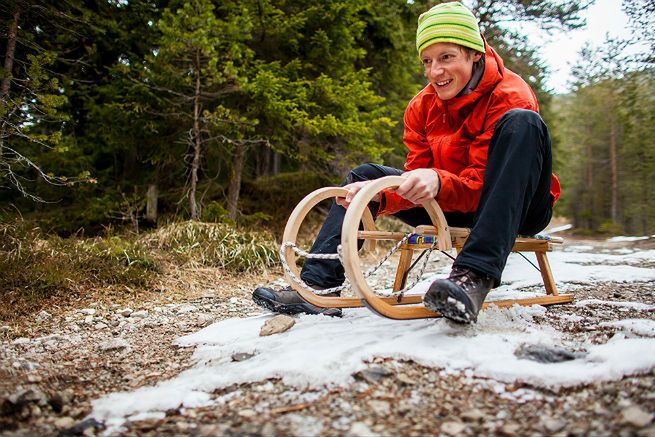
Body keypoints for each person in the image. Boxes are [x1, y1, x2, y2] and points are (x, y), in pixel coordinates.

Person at [252, 1, 560, 323]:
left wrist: (438, 180)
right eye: (427, 61)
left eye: (446, 58)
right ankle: (318, 287)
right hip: (450, 201)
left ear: (475, 54)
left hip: (517, 206)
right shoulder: (422, 106)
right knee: (367, 176)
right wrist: (379, 192)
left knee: (523, 123)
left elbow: (484, 188)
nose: (435, 71)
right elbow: (416, 180)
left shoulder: (509, 94)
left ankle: (472, 278)